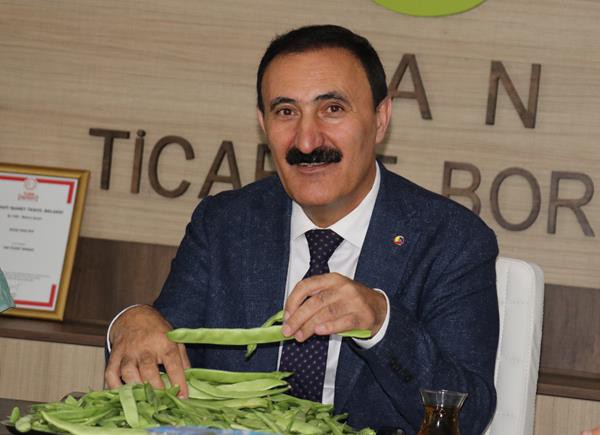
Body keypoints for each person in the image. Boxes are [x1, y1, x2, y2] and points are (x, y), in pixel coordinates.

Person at [105, 24, 499, 434]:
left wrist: (382, 324)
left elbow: (468, 415)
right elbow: (158, 362)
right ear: (263, 123)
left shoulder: (451, 239)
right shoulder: (224, 224)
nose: (307, 142)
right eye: (286, 112)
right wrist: (130, 323)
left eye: (332, 109)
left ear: (380, 119)